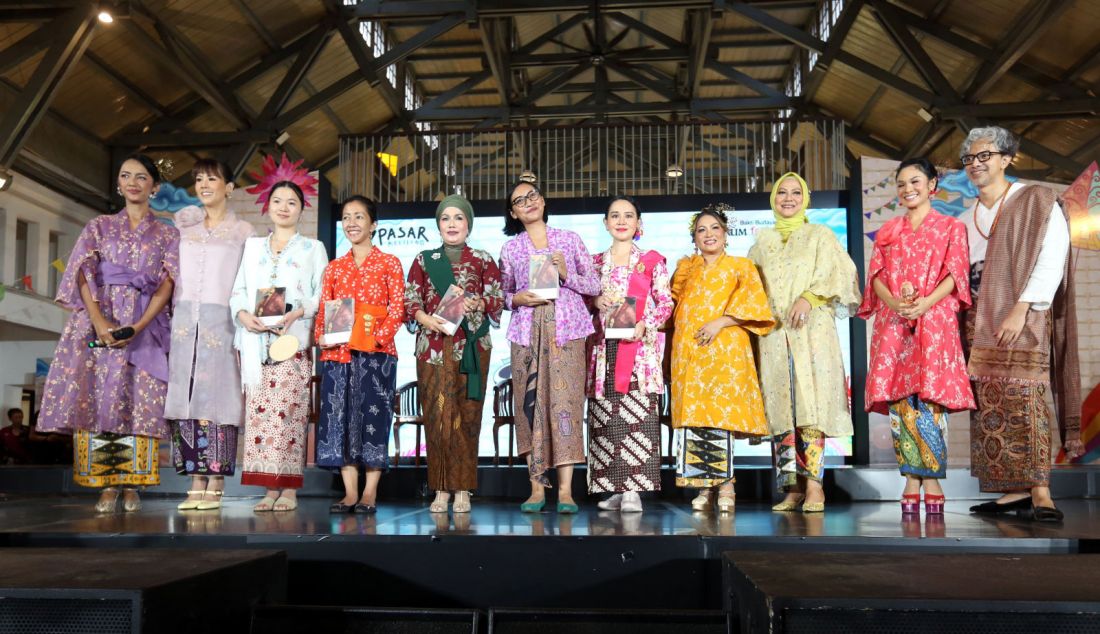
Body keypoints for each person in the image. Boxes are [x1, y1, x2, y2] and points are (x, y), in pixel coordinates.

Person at [38, 154, 179, 512]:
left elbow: (168, 282)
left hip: (144, 324)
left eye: (141, 177)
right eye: (126, 176)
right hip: (100, 320)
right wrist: (100, 322)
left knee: (139, 401)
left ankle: (133, 484)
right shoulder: (98, 225)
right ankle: (105, 483)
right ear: (118, 183)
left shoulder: (167, 232)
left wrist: (140, 325)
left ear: (155, 186)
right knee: (101, 398)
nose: (132, 182)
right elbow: (83, 272)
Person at [957, 127, 1082, 522]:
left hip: (1020, 314)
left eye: (985, 156)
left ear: (1008, 158)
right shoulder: (966, 215)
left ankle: (1040, 490)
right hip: (977, 320)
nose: (976, 164)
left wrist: (1021, 308)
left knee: (1025, 397)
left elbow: (1051, 257)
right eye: (970, 159)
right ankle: (1013, 491)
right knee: (990, 406)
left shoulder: (1037, 200)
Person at [858, 158, 974, 515]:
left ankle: (932, 478)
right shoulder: (890, 230)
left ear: (932, 184)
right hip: (894, 320)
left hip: (935, 318)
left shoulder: (951, 226)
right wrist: (894, 302)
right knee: (901, 399)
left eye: (915, 181)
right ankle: (911, 477)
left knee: (931, 396)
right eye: (901, 183)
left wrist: (925, 303)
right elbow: (876, 274)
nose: (908, 189)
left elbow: (957, 273)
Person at [748, 173, 861, 513]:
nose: (788, 198)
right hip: (773, 335)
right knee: (781, 405)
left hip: (811, 331)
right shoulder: (761, 242)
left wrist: (809, 298)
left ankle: (815, 487)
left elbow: (841, 273)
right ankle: (791, 487)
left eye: (796, 192)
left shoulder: (819, 235)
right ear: (772, 199)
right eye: (781, 192)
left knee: (810, 403)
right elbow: (751, 289)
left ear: (806, 198)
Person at [499, 180, 600, 513]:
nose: (528, 202)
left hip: (567, 333)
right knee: (529, 407)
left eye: (533, 195)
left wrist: (566, 272)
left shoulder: (569, 240)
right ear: (513, 212)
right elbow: (501, 293)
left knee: (565, 406)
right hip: (527, 333)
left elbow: (594, 284)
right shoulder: (511, 249)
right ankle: (537, 489)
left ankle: (567, 491)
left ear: (542, 200)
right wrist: (517, 298)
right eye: (519, 201)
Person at [404, 194, 504, 514]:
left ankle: (463, 488)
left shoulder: (484, 259)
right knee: (437, 418)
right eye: (445, 218)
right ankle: (441, 489)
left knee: (468, 416)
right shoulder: (423, 259)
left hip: (473, 345)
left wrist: (476, 302)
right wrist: (423, 318)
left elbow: (498, 299)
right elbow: (410, 301)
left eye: (458, 218)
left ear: (468, 224)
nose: (452, 224)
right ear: (438, 224)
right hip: (432, 346)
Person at [670, 204, 773, 513]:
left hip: (725, 351)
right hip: (690, 352)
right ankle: (703, 486)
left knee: (720, 418)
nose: (708, 234)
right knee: (695, 418)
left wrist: (720, 322)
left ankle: (726, 483)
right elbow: (671, 307)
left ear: (726, 233)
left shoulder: (741, 266)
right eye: (701, 230)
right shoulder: (687, 269)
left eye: (714, 228)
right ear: (694, 238)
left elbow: (754, 305)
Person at [231, 180, 327, 512]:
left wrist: (300, 311)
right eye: (277, 200)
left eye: (291, 202)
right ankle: (268, 488)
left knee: (288, 416)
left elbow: (322, 294)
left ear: (302, 209)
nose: (283, 207)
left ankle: (288, 488)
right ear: (268, 206)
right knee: (260, 419)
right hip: (256, 344)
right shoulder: (253, 247)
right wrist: (243, 315)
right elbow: (239, 290)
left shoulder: (313, 248)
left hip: (292, 342)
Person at [167, 159, 254, 511]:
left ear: (229, 187)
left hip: (224, 322)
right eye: (199, 178)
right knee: (186, 396)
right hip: (186, 322)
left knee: (220, 396)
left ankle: (216, 477)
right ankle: (193, 477)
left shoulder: (242, 232)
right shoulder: (185, 228)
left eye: (212, 178)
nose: (204, 184)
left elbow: (248, 282)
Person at [315, 196, 404, 514]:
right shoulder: (334, 268)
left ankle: (369, 493)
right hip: (339, 356)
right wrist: (322, 337)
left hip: (377, 356)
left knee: (373, 418)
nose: (351, 222)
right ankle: (350, 493)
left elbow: (398, 309)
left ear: (373, 224)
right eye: (346, 217)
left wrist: (377, 338)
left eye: (359, 216)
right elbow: (325, 310)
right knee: (338, 421)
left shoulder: (389, 262)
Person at [586, 196, 673, 513]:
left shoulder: (652, 261)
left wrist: (644, 324)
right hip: (603, 349)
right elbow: (582, 302)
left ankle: (634, 489)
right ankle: (613, 487)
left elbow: (665, 303)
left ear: (639, 223)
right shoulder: (594, 264)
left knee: (638, 416)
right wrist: (595, 302)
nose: (621, 220)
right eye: (615, 215)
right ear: (605, 223)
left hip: (638, 350)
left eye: (628, 215)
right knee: (606, 416)